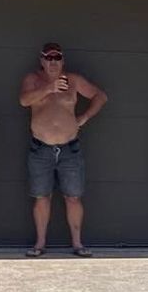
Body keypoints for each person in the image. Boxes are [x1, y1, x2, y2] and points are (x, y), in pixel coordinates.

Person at [19, 41, 107, 256]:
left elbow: (101, 96)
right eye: (48, 58)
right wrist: (49, 88)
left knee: (74, 196)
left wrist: (84, 117)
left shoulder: (74, 81)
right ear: (41, 60)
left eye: (56, 58)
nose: (52, 62)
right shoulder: (33, 79)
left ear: (62, 60)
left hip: (70, 149)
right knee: (41, 196)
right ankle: (40, 244)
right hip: (41, 149)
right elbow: (23, 101)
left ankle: (77, 243)